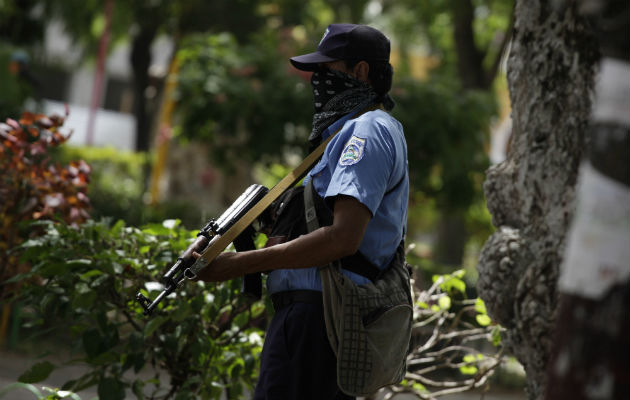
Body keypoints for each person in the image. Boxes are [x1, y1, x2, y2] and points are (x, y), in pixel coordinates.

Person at [196, 23, 409, 400]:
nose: (317, 81)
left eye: (326, 70)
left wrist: (238, 265)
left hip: (319, 321)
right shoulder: (342, 136)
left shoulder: (367, 131)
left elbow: (343, 238)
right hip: (307, 319)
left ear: (360, 72)